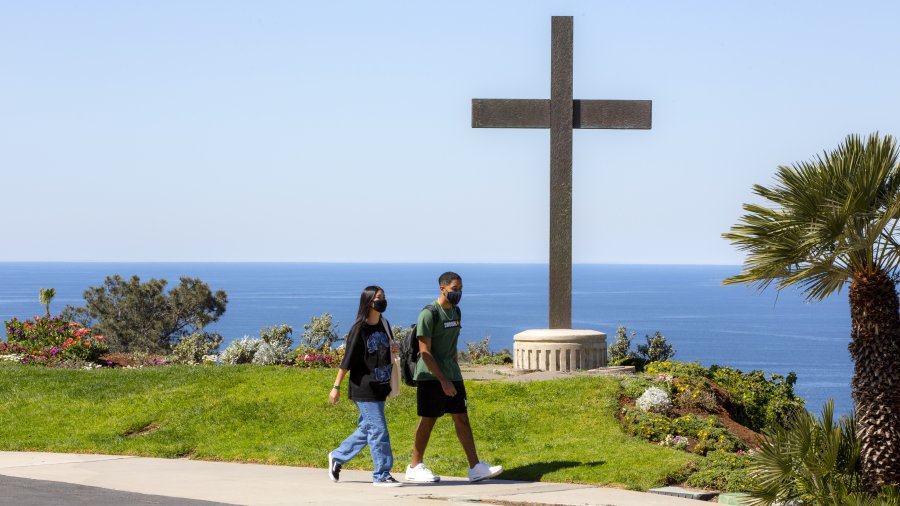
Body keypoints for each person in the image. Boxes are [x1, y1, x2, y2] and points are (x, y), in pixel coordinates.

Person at [404, 272, 503, 483]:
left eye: (461, 289)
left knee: (462, 417)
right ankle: (414, 466)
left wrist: (453, 375)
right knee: (428, 420)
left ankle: (475, 467)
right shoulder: (429, 314)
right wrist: (443, 380)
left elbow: (451, 346)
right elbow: (424, 351)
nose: (458, 293)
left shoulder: (456, 311)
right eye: (455, 289)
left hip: (452, 373)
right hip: (431, 375)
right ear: (443, 288)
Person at [328, 285, 402, 487]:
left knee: (367, 429)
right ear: (369, 302)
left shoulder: (385, 324)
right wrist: (336, 387)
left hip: (381, 386)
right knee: (379, 430)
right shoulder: (359, 329)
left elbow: (384, 352)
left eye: (384, 297)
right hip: (363, 387)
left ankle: (337, 456)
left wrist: (393, 347)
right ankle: (382, 475)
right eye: (379, 297)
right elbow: (347, 361)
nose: (383, 300)